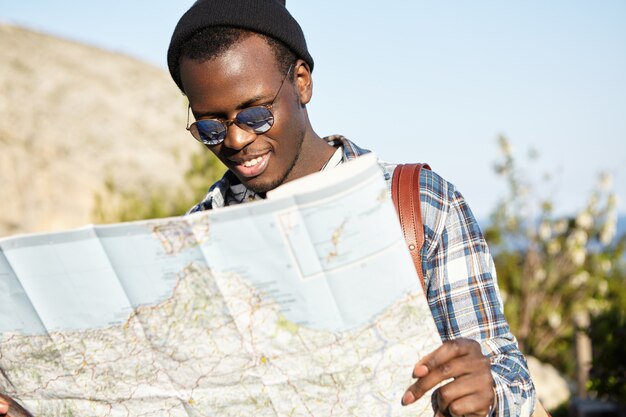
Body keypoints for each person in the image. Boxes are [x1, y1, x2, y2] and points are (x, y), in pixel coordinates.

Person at [165, 1, 536, 416]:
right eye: (210, 127)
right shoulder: (194, 236)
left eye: (255, 114)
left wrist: (489, 392)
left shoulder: (422, 204)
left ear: (302, 82)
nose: (234, 140)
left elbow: (510, 372)